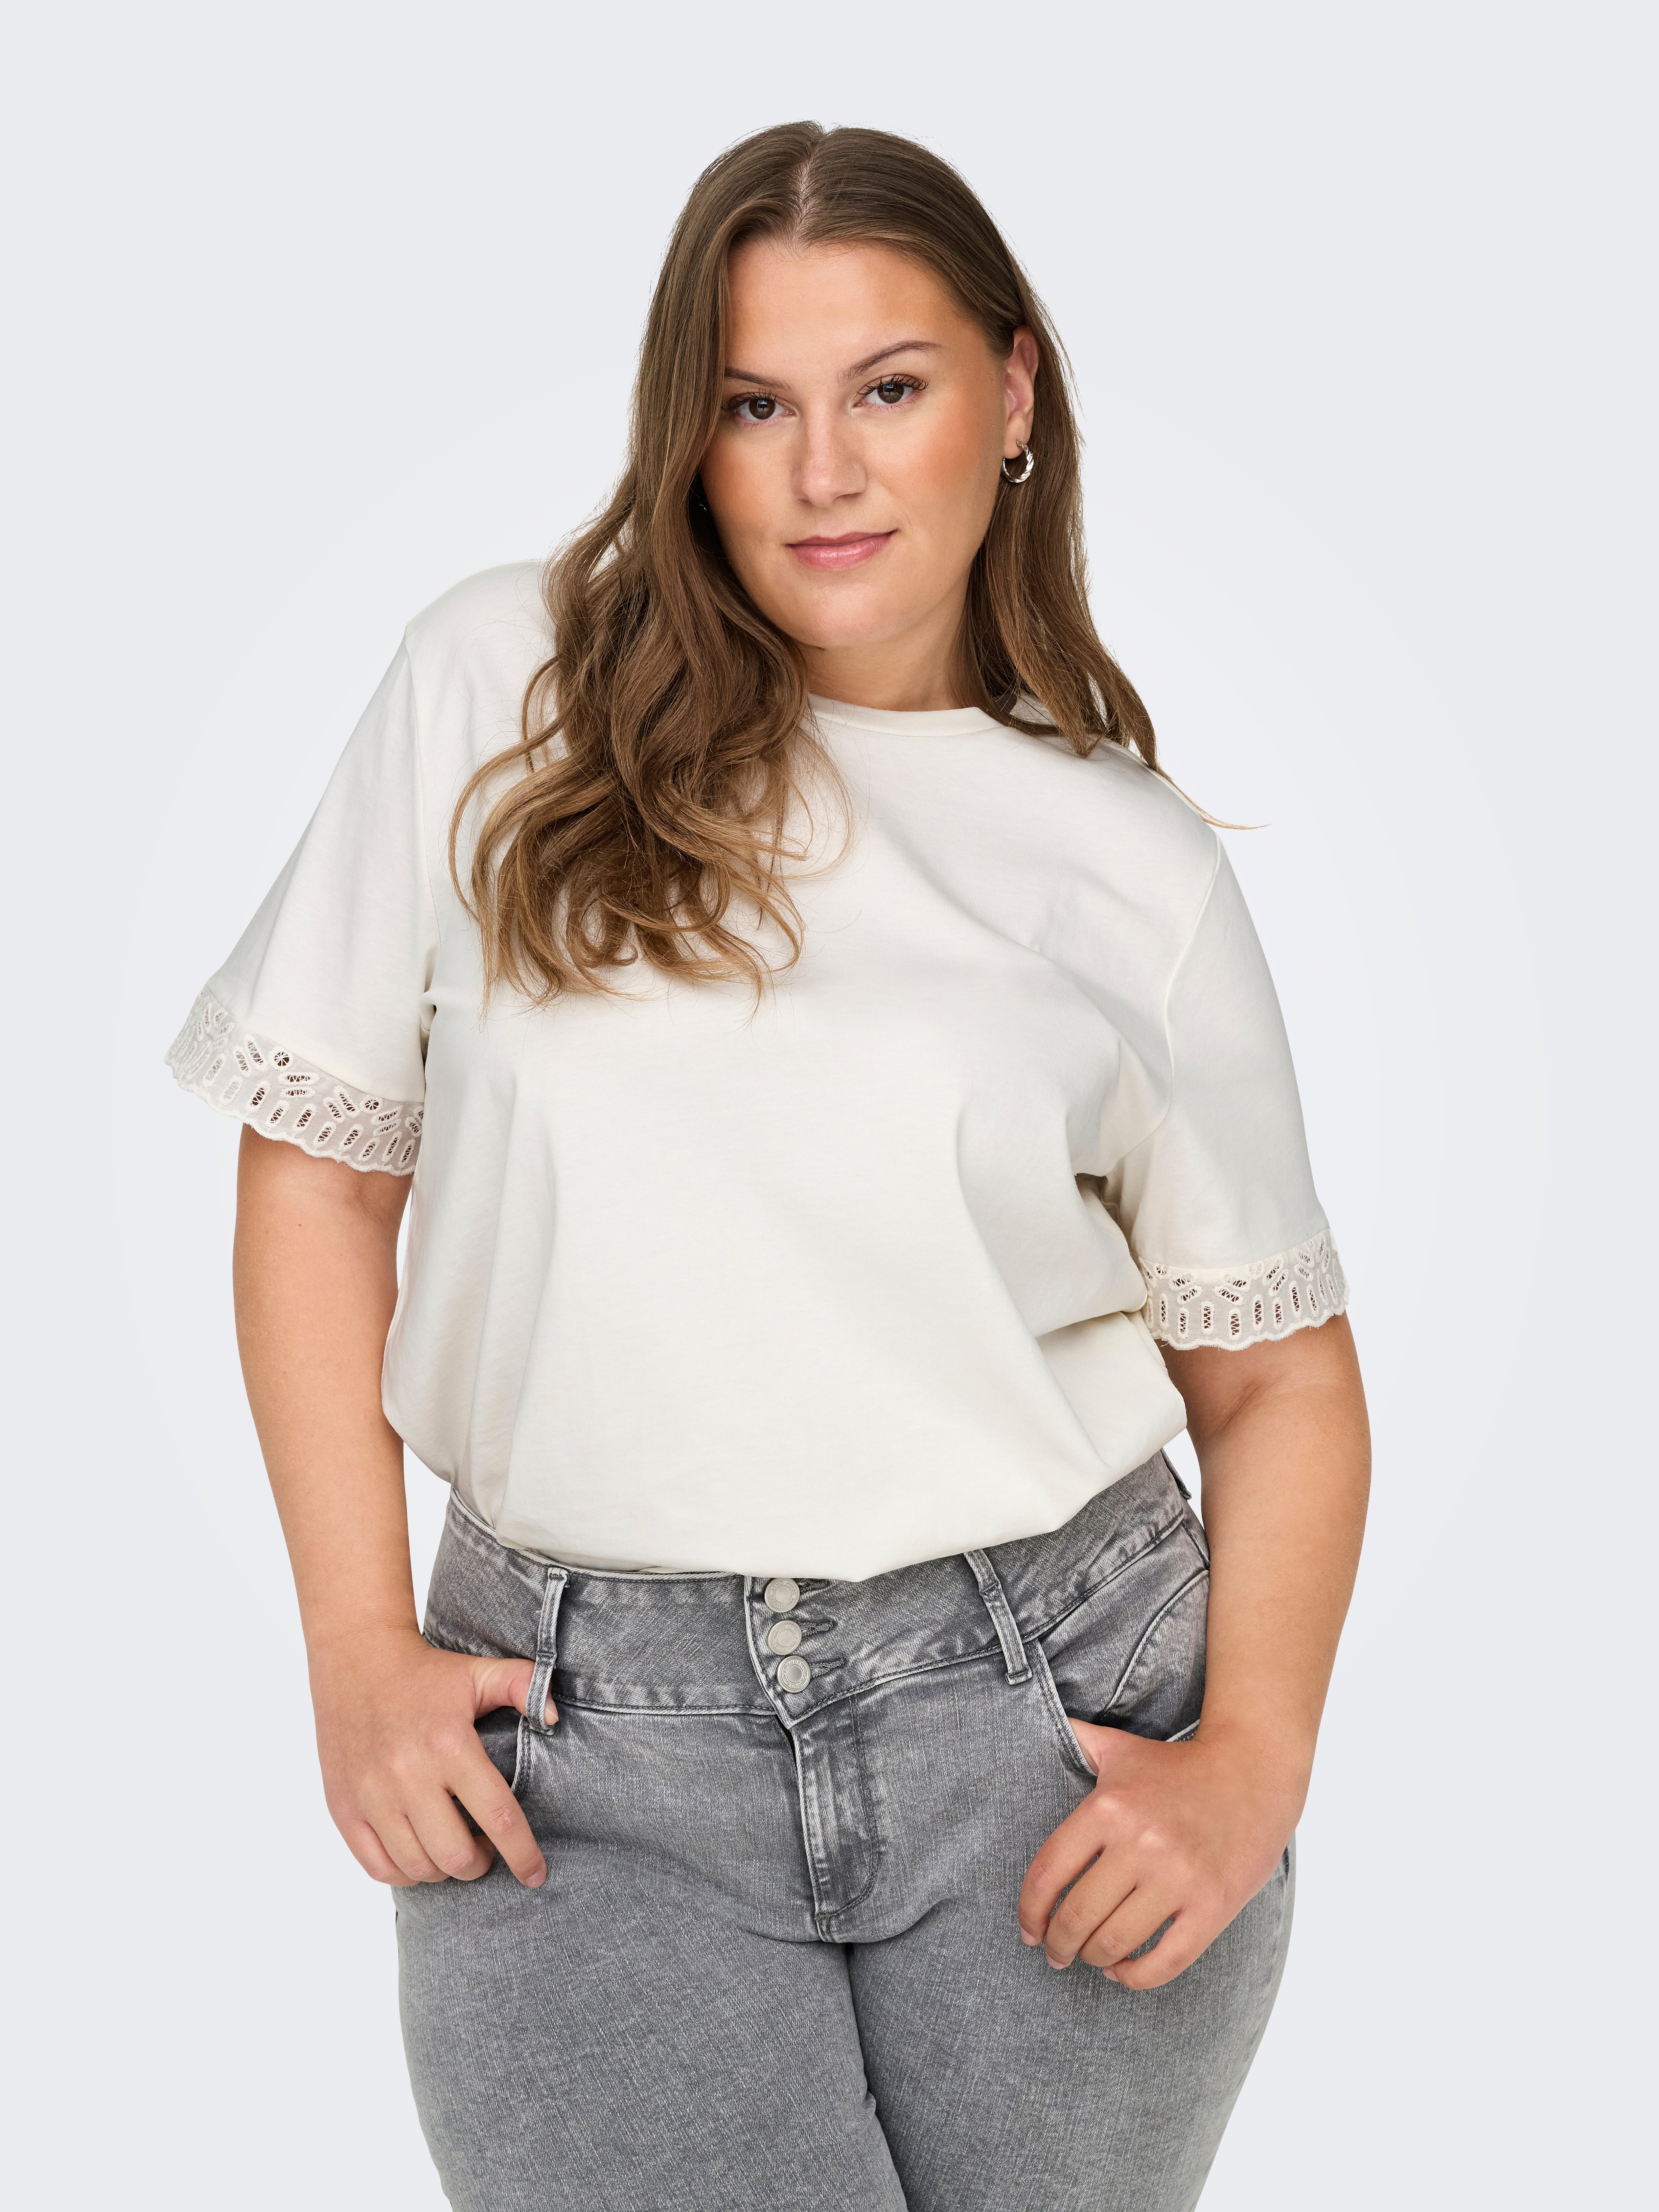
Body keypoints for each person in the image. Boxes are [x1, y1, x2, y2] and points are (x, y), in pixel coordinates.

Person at [168, 120, 1369, 2212]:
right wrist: (355, 1651)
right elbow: (322, 1180)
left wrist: (1253, 1761)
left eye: (888, 388)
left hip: (1053, 1730)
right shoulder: (502, 687)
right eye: (753, 405)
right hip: (575, 1748)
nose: (824, 470)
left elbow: (1278, 1379)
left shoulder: (1129, 866)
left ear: (1012, 393)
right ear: (688, 433)